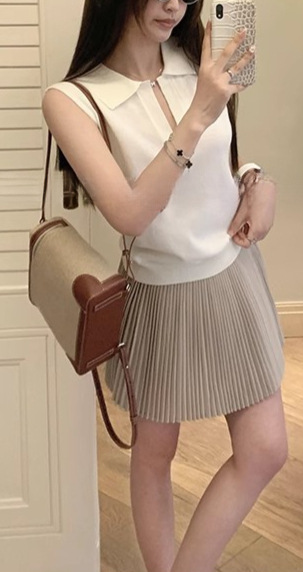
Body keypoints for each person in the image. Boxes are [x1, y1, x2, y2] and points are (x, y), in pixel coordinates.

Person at [42, 1, 288, 571]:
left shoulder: (195, 57)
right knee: (155, 452)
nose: (174, 4)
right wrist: (198, 111)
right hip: (159, 293)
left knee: (265, 449)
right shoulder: (73, 99)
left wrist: (258, 179)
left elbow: (221, 164)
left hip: (234, 276)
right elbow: (130, 215)